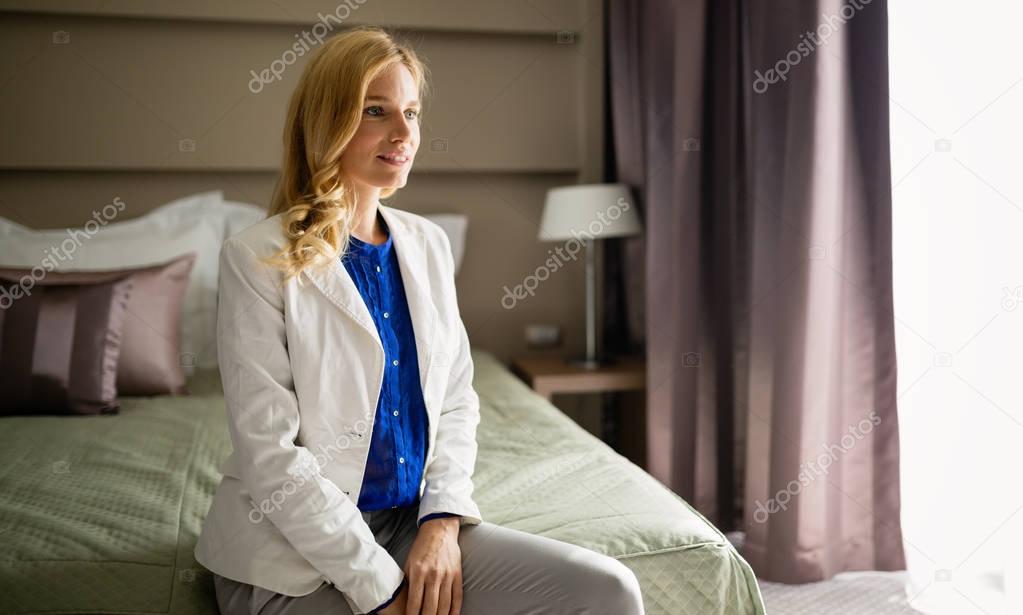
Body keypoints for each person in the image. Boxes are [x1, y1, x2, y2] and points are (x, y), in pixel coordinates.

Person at [194, 25, 645, 615]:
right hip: (290, 552)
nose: (405, 134)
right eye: (377, 111)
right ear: (327, 122)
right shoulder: (256, 257)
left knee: (609, 590)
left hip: (411, 523)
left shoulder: (427, 245)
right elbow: (270, 455)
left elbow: (457, 398)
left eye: (412, 112)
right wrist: (380, 589)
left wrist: (442, 523)